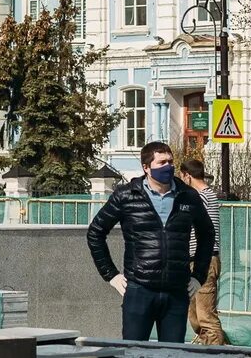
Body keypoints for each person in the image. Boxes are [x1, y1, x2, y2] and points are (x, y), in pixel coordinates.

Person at [87, 142, 215, 343]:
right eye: (162, 162)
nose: (168, 167)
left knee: (172, 354)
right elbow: (95, 232)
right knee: (134, 352)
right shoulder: (126, 195)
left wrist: (198, 276)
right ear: (146, 167)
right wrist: (111, 275)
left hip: (176, 291)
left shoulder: (188, 196)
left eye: (171, 162)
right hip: (139, 290)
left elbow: (207, 234)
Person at [179, 158, 228, 346]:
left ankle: (216, 350)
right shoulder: (202, 195)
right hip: (192, 258)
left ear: (187, 175)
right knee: (195, 316)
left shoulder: (202, 196)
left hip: (204, 260)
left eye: (181, 176)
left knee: (205, 315)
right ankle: (211, 346)